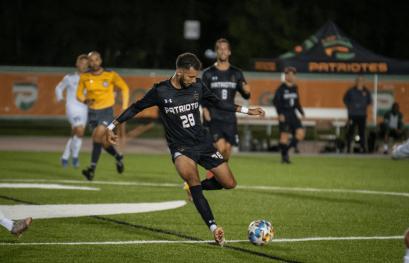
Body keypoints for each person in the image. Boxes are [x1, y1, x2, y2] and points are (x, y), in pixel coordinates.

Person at [105, 53, 265, 246]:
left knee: (229, 183)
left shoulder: (197, 85)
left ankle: (194, 188)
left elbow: (218, 103)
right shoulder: (160, 91)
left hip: (203, 144)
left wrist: (249, 111)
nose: (194, 79)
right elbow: (136, 107)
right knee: (193, 177)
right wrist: (111, 126)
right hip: (181, 148)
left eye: (195, 76)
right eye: (190, 76)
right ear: (179, 71)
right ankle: (214, 228)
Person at [201, 38, 251, 178]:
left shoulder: (236, 73)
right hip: (214, 115)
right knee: (221, 147)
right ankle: (211, 175)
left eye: (225, 49)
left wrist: (247, 91)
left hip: (230, 117)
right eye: (220, 49)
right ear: (216, 52)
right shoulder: (208, 73)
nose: (223, 51)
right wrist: (205, 110)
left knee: (227, 150)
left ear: (229, 52)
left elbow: (245, 94)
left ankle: (217, 174)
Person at [76, 51, 129, 180]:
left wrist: (125, 106)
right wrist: (84, 100)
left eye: (96, 60)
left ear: (100, 61)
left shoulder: (110, 75)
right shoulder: (84, 77)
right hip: (93, 113)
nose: (94, 63)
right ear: (88, 63)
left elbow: (124, 87)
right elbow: (79, 94)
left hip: (107, 112)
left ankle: (91, 170)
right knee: (104, 143)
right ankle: (118, 157)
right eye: (91, 61)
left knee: (98, 135)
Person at [55, 54, 89, 168]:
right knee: (80, 131)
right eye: (82, 63)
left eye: (86, 64)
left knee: (76, 134)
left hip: (84, 110)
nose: (84, 66)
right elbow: (59, 88)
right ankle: (75, 157)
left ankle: (65, 157)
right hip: (72, 108)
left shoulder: (90, 79)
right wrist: (60, 98)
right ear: (77, 64)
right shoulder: (69, 78)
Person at [272, 67, 305, 164]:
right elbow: (276, 102)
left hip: (293, 114)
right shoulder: (281, 89)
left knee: (300, 134)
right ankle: (284, 158)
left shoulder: (295, 87)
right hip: (284, 114)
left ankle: (286, 150)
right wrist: (280, 114)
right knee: (284, 136)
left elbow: (297, 102)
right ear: (285, 75)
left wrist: (301, 112)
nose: (291, 76)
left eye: (292, 74)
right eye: (288, 74)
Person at [343, 75, 372, 153]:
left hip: (362, 115)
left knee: (362, 132)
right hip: (352, 114)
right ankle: (348, 148)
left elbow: (369, 102)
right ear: (356, 81)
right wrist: (351, 106)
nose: (360, 82)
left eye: (362, 80)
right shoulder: (351, 91)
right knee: (350, 131)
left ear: (364, 82)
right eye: (358, 80)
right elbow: (345, 100)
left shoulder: (366, 92)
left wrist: (362, 106)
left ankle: (363, 148)